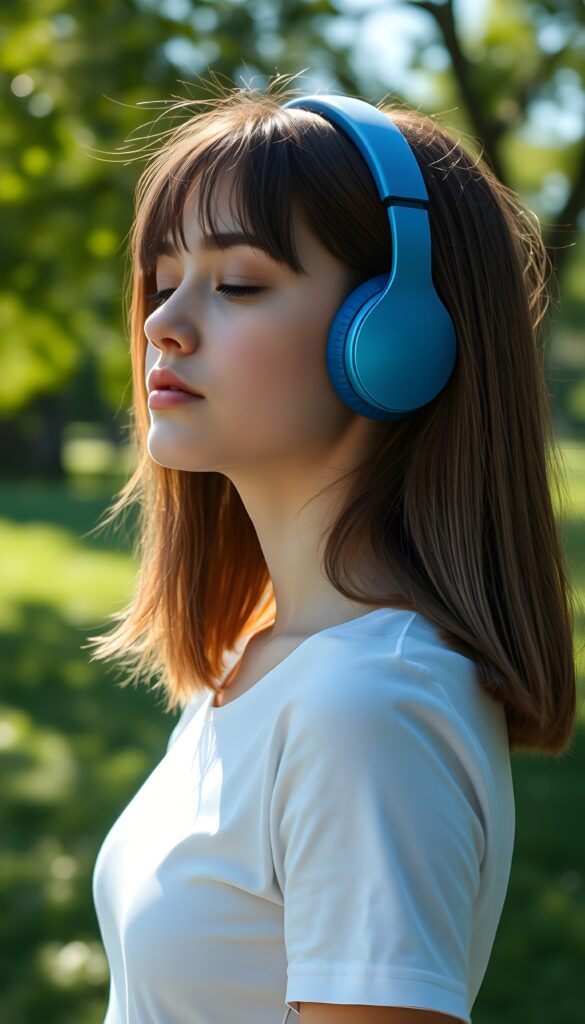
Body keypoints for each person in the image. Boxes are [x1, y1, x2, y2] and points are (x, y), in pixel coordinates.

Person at [86, 72, 578, 1024]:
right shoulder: (262, 654)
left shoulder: (365, 708)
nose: (161, 324)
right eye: (161, 279)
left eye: (237, 283)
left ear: (392, 338)